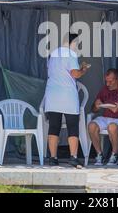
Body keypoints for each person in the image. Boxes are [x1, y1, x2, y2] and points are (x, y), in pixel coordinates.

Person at [44, 33, 90, 167]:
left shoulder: (53, 53)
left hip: (52, 95)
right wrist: (83, 70)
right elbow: (74, 74)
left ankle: (53, 158)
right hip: (67, 96)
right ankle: (73, 157)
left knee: (54, 126)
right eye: (77, 44)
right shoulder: (70, 54)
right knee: (72, 126)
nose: (77, 47)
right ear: (73, 42)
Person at [88, 68, 118, 166]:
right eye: (106, 81)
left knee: (112, 126)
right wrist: (96, 106)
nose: (108, 84)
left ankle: (115, 155)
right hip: (105, 117)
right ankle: (99, 154)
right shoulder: (105, 89)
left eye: (110, 81)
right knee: (91, 125)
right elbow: (93, 110)